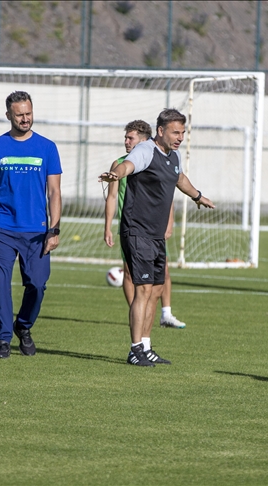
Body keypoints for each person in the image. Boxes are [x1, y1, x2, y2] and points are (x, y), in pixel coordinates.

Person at [99, 109, 214, 367]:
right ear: (160, 131)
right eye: (175, 132)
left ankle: (147, 346)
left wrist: (197, 196)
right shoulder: (145, 150)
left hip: (156, 234)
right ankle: (134, 349)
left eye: (183, 133)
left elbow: (179, 178)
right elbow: (128, 165)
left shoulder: (173, 156)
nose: (180, 137)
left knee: (155, 291)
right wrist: (117, 174)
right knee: (143, 290)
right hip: (137, 230)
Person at [0, 91, 62, 359]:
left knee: (37, 284)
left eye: (28, 113)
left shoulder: (47, 148)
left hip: (37, 231)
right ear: (8, 115)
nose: (25, 119)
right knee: (0, 285)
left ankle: (23, 326)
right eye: (20, 114)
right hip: (1, 228)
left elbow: (54, 192)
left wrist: (54, 229)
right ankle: (3, 340)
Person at [103, 120, 187, 329]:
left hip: (154, 226)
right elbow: (112, 197)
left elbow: (166, 194)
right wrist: (108, 227)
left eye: (130, 138)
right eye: (125, 138)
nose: (126, 142)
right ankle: (137, 314)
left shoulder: (153, 159)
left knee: (163, 269)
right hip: (131, 228)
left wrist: (169, 222)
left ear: (142, 141)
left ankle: (166, 313)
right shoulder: (120, 164)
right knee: (129, 272)